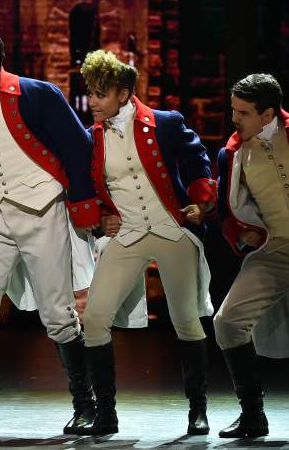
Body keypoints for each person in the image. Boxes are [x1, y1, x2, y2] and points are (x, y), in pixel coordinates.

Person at [0, 26, 99, 434]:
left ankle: (86, 403)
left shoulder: (35, 93)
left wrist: (84, 206)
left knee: (57, 313)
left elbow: (78, 147)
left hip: (43, 211)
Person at [80, 50, 216, 435]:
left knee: (186, 319)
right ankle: (105, 414)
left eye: (100, 94)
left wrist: (201, 200)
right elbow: (85, 186)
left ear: (123, 94)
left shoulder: (164, 122)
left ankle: (198, 410)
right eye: (91, 92)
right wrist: (97, 218)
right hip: (129, 234)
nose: (92, 101)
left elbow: (197, 157)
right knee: (94, 317)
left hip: (171, 228)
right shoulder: (92, 137)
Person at [214, 73, 289, 438]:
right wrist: (242, 232)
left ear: (268, 113)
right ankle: (252, 415)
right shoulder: (233, 154)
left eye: (243, 112)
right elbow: (226, 211)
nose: (234, 119)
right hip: (275, 249)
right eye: (234, 110)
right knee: (227, 321)